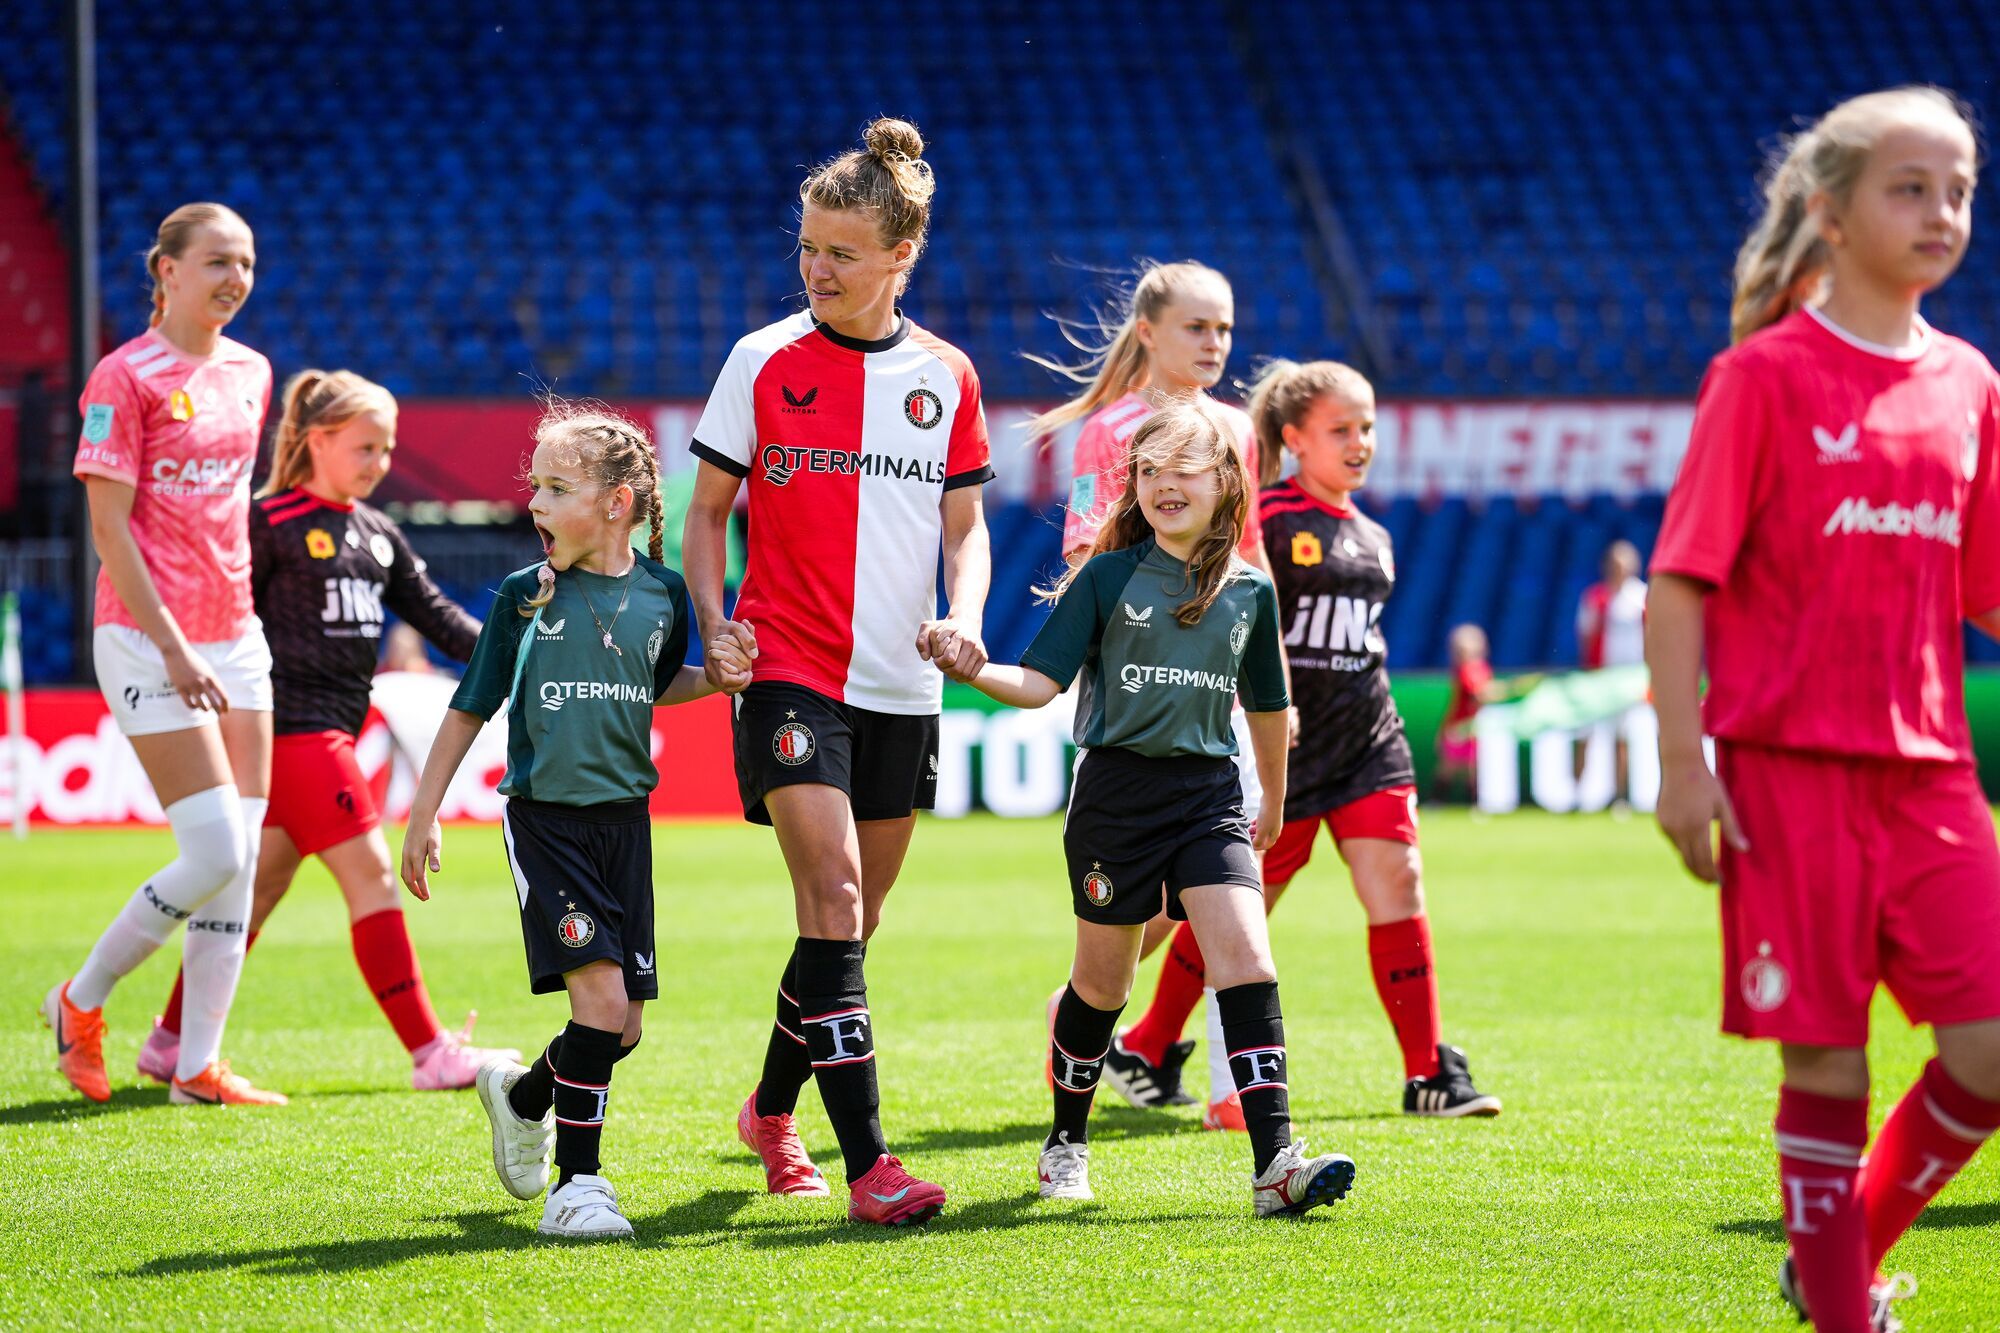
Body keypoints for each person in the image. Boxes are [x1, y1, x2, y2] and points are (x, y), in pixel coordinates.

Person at [1648, 87, 2000, 1332]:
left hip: (1931, 776)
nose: (1940, 211)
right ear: (1829, 213)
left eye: (1957, 187)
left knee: (1988, 1051)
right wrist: (1680, 765)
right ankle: (1845, 1311)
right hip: (1783, 772)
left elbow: (1989, 584)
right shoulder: (1758, 378)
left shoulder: (1967, 381)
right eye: (1909, 187)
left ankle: (1834, 1253)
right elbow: (1677, 582)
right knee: (1828, 1062)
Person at [682, 117, 992, 1226]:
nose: (817, 268)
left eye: (842, 253)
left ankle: (769, 1111)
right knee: (835, 895)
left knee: (843, 936)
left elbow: (967, 528)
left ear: (900, 256)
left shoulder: (944, 374)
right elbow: (707, 514)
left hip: (902, 686)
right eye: (807, 248)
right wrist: (714, 624)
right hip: (789, 670)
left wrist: (965, 618)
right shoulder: (759, 361)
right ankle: (870, 1167)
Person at [956, 403, 1354, 1214]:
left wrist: (1272, 799)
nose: (1165, 484)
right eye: (1149, 471)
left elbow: (1270, 706)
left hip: (1209, 797)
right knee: (1102, 987)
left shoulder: (1249, 589)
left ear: (1225, 482)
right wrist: (971, 667)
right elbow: (1038, 685)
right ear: (1132, 486)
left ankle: (1275, 1163)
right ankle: (1066, 1140)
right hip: (1115, 800)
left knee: (1247, 958)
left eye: (1185, 469)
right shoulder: (1107, 577)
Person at [400, 404, 748, 1240]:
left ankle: (520, 1097)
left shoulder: (663, 593)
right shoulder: (525, 596)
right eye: (537, 487)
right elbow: (469, 706)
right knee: (599, 1006)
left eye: (558, 488)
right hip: (546, 821)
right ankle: (578, 1188)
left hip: (626, 826)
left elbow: (661, 680)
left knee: (622, 1025)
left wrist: (722, 675)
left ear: (619, 502)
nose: (538, 505)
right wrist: (423, 812)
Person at [133, 370, 518, 1092]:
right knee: (373, 875)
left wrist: (522, 647)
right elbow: (214, 618)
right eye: (365, 446)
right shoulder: (267, 520)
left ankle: (170, 1039)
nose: (379, 462)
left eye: (387, 448)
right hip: (293, 730)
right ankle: (429, 1051)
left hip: (321, 732)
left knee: (260, 889)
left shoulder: (379, 534)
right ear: (316, 439)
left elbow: (440, 618)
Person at [1214, 359, 1500, 1124]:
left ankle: (1429, 1071)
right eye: (1342, 429)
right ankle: (1147, 1042)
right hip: (1289, 743)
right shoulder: (1267, 518)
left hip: (1370, 740)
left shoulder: (1374, 534)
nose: (1360, 441)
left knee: (1399, 883)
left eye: (1367, 427)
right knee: (1238, 907)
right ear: (1295, 438)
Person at [43, 202, 284, 1107]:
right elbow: (109, 526)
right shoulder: (123, 375)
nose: (235, 279)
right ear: (168, 270)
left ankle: (196, 1067)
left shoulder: (253, 372)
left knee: (244, 852)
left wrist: (231, 629)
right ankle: (81, 999)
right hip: (149, 638)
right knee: (214, 846)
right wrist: (178, 647)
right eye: (218, 260)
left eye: (247, 263)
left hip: (237, 633)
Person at [1029, 259, 1279, 1111]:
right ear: (1148, 333)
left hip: (1222, 706)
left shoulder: (1238, 430)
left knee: (1236, 898)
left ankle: (1228, 1087)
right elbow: (1083, 555)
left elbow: (1246, 561)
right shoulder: (1112, 432)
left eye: (1225, 330)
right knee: (1142, 916)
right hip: (1135, 700)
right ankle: (1085, 1013)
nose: (1215, 344)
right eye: (1197, 328)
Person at [1574, 539, 1647, 803]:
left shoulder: (1642, 597)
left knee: (1622, 736)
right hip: (1600, 676)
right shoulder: (1595, 598)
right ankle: (1578, 793)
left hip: (1630, 679)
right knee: (1585, 734)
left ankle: (1620, 796)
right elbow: (1586, 635)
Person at [1435, 624, 1497, 804]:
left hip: (1474, 727)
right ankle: (1437, 802)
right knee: (1448, 767)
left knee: (1473, 768)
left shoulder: (1482, 668)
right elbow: (1477, 694)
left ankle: (1475, 804)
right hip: (1458, 727)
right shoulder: (1464, 670)